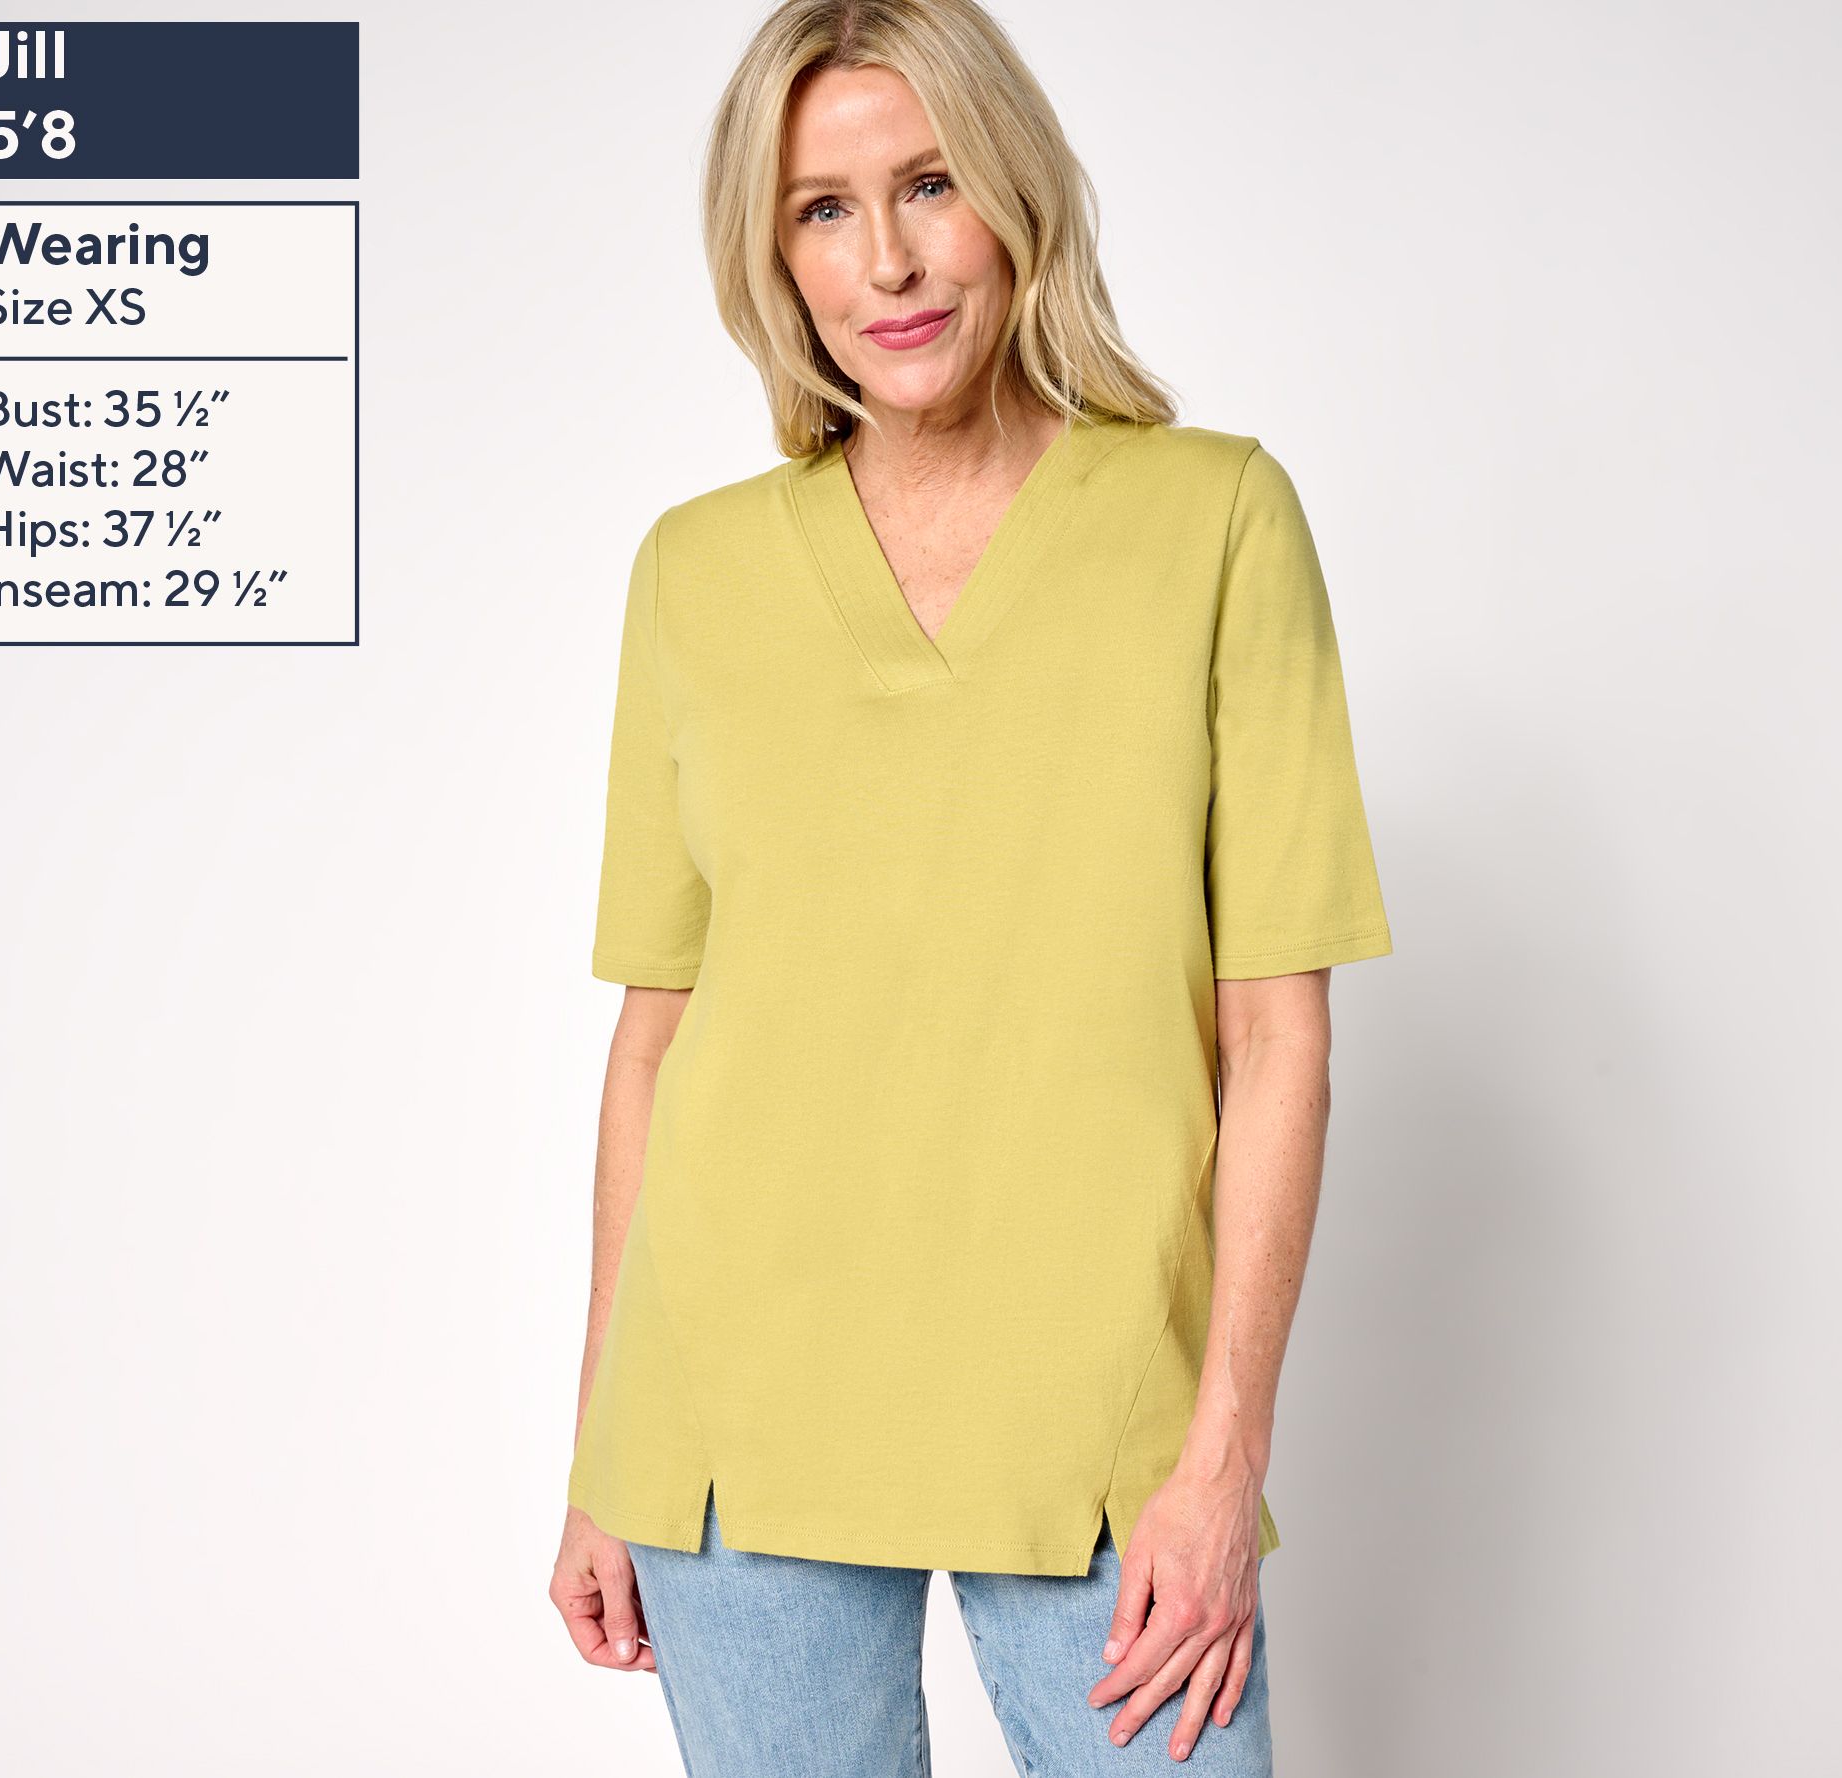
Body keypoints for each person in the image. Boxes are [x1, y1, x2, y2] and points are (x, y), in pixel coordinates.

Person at [548, 1, 1393, 1770]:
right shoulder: (695, 573)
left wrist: (1224, 1455)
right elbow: (655, 1042)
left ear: (1015, 193)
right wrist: (597, 1460)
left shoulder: (1216, 521)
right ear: (772, 257)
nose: (890, 260)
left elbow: (1277, 1036)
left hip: (1103, 1434)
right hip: (729, 1428)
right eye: (823, 209)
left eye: (929, 184)